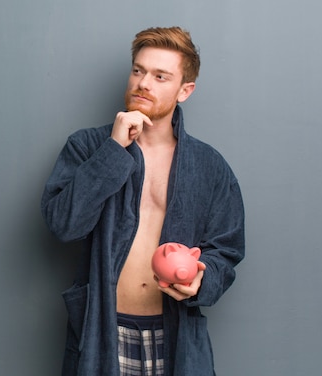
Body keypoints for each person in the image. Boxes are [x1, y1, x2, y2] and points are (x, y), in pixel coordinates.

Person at [41, 26, 245, 376]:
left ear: (185, 90)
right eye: (139, 70)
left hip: (176, 335)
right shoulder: (88, 147)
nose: (143, 83)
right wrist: (113, 150)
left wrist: (201, 280)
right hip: (104, 331)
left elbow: (226, 250)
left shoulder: (209, 166)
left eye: (160, 76)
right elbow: (64, 224)